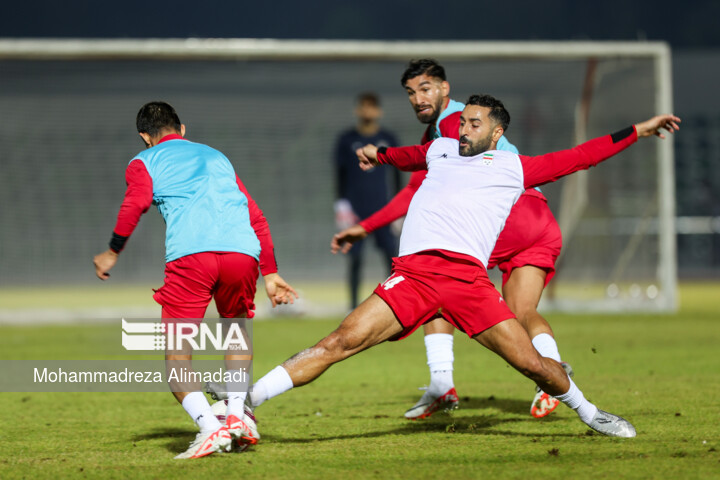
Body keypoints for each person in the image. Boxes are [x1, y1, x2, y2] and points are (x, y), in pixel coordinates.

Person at [246, 95, 679, 440]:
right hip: (413, 277)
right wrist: (378, 155)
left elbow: (585, 154)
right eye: (463, 121)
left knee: (531, 364)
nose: (464, 128)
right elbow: (408, 155)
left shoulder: (516, 167)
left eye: (474, 123)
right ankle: (245, 402)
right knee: (338, 342)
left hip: (468, 283)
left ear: (497, 132)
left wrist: (639, 130)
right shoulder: (440, 150)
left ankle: (591, 413)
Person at [331, 59, 569, 420]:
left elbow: (413, 192)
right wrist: (367, 226)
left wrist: (367, 225)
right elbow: (416, 189)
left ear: (445, 88)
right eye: (411, 92)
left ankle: (442, 385)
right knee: (523, 311)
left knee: (435, 278)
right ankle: (552, 374)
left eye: (426, 88)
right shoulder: (454, 127)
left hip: (510, 216)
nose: (418, 98)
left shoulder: (450, 126)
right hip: (540, 218)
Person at [92, 101, 297, 459]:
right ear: (181, 129)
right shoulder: (217, 157)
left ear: (145, 137)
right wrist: (272, 272)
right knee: (235, 335)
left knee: (177, 356)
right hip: (242, 255)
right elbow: (256, 215)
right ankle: (238, 418)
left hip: (192, 258)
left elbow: (135, 204)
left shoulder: (143, 161)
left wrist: (112, 251)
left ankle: (209, 428)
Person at [333, 92, 400, 309]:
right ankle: (352, 306)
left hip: (383, 209)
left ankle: (393, 304)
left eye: (372, 107)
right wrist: (341, 204)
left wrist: (400, 209)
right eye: (363, 106)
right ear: (357, 110)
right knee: (355, 258)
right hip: (356, 210)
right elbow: (339, 174)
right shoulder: (346, 140)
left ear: (379, 111)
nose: (367, 111)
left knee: (392, 258)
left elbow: (398, 175)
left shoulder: (389, 139)